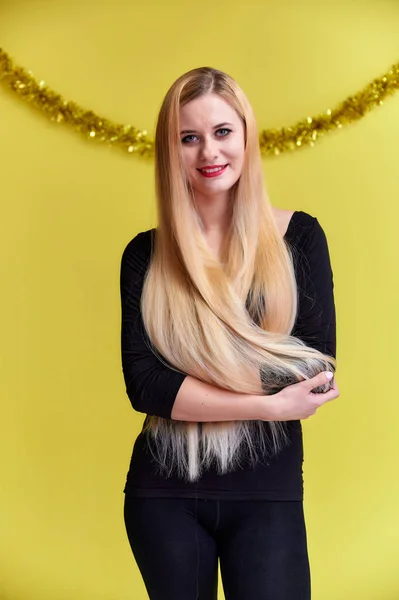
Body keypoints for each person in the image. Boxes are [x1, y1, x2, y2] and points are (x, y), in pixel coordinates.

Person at [120, 66, 339, 600]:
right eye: (188, 138)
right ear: (171, 152)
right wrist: (269, 405)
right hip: (163, 497)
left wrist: (189, 369)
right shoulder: (144, 255)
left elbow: (312, 369)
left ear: (246, 134)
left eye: (221, 132)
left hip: (269, 494)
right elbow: (144, 386)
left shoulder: (300, 237)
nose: (208, 153)